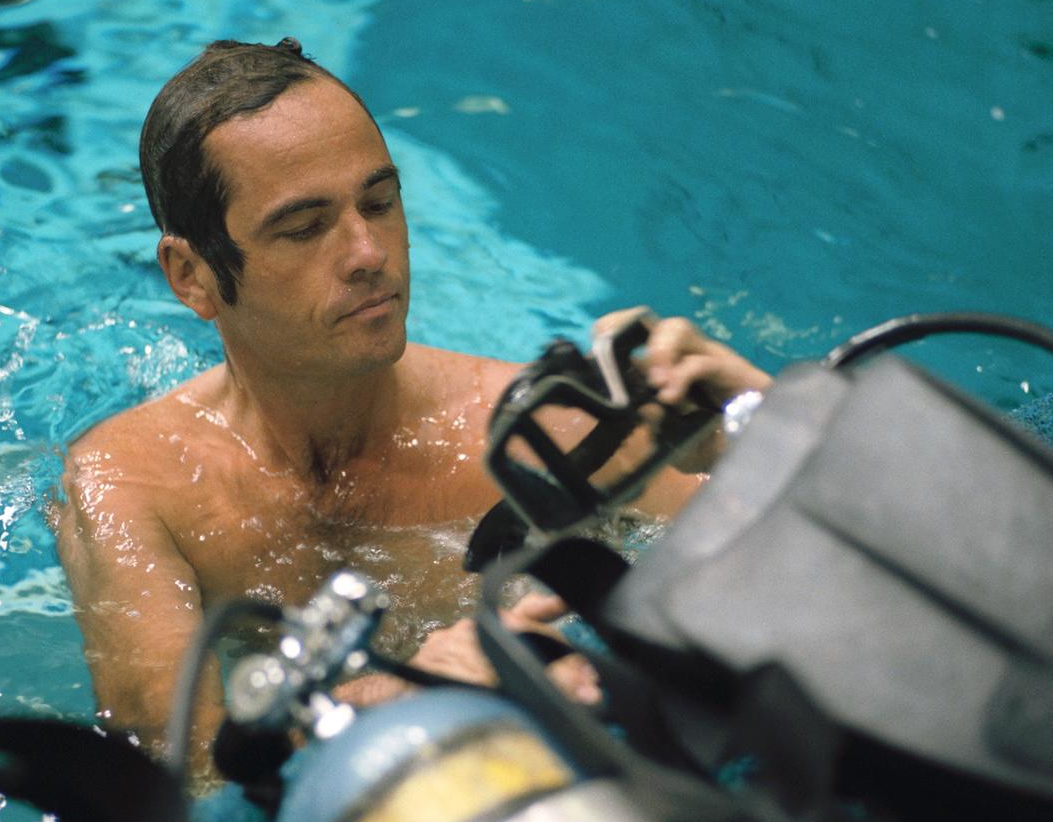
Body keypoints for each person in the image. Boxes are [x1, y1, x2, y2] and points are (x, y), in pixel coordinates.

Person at [50, 38, 771, 777]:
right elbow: (181, 779)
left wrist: (767, 434)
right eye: (303, 227)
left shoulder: (539, 434)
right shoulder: (131, 487)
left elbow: (805, 600)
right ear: (192, 276)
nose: (368, 251)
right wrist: (391, 699)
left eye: (380, 201)